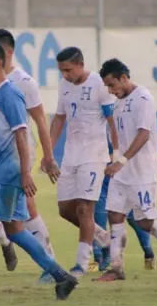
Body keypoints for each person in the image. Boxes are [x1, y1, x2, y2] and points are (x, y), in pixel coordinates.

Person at [0, 41, 77, 303]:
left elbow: (21, 133)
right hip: (2, 172)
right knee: (15, 231)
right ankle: (62, 276)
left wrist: (25, 173)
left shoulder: (9, 93)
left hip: (6, 173)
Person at [93, 58, 157, 282]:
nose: (110, 90)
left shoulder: (143, 98)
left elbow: (144, 134)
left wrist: (122, 161)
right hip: (123, 172)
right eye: (107, 86)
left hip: (143, 172)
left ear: (124, 78)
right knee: (114, 215)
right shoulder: (118, 102)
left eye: (112, 84)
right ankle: (117, 268)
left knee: (145, 222)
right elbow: (118, 134)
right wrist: (114, 157)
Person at [49, 46, 118, 277]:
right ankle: (105, 238)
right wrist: (49, 152)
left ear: (80, 64)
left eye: (67, 70)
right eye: (61, 71)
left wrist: (115, 154)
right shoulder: (64, 86)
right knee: (65, 210)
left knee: (84, 209)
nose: (64, 75)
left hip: (94, 156)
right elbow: (59, 118)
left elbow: (112, 121)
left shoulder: (99, 84)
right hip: (71, 155)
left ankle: (80, 265)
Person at [90, 124, 156, 272]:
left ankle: (147, 252)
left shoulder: (112, 114)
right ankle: (99, 257)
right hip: (106, 173)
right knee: (99, 215)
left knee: (130, 216)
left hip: (116, 171)